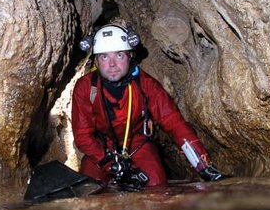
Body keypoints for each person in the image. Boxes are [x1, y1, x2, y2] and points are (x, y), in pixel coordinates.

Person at [71, 22, 226, 190]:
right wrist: (109, 162)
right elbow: (83, 136)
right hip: (101, 149)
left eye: (119, 55)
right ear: (96, 60)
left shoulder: (146, 85)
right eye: (104, 57)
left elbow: (175, 124)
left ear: (130, 56)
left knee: (156, 185)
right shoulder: (86, 88)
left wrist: (204, 166)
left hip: (138, 146)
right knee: (89, 187)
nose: (112, 64)